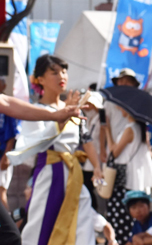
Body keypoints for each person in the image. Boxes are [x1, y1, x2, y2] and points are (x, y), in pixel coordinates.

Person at [8, 54, 103, 245]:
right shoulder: (36, 109)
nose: (62, 76)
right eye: (54, 72)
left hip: (74, 173)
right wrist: (61, 119)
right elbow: (37, 142)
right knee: (42, 224)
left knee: (81, 223)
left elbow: (86, 139)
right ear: (40, 79)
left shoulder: (74, 108)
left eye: (64, 71)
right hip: (50, 173)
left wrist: (97, 167)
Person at [105, 107, 152, 244]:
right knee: (136, 220)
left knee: (122, 219)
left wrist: (107, 130)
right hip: (138, 179)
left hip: (126, 180)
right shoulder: (141, 129)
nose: (118, 108)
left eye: (121, 107)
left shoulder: (130, 129)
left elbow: (114, 152)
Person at [82, 90, 104, 210]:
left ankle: (93, 211)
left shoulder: (100, 121)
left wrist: (98, 163)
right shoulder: (89, 120)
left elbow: (99, 142)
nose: (88, 107)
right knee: (87, 187)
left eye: (90, 104)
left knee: (90, 187)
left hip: (96, 159)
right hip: (89, 159)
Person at [0, 111, 18, 210]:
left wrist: (6, 157)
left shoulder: (5, 108)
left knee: (1, 191)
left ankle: (7, 224)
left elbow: (12, 134)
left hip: (2, 154)